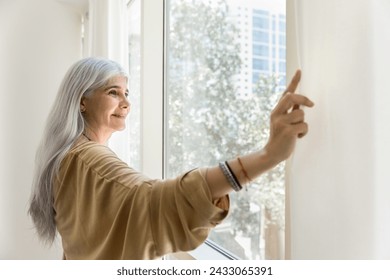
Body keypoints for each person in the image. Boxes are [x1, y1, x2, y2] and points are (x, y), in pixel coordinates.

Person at [28, 57, 314, 260]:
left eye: (126, 93)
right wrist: (268, 156)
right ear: (82, 100)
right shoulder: (90, 161)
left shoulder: (71, 157)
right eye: (113, 92)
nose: (126, 103)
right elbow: (159, 201)